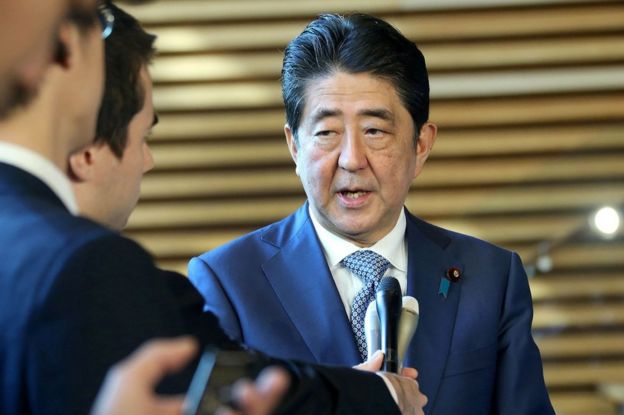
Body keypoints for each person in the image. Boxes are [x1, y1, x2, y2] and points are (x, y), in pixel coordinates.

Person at [0, 3, 424, 414]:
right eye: (142, 137)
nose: (147, 161)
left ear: (421, 144)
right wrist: (383, 395)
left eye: (374, 130)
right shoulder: (91, 267)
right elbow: (243, 386)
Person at [189, 13, 555, 415]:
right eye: (327, 131)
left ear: (421, 145)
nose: (351, 159)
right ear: (294, 146)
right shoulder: (228, 282)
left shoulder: (492, 277)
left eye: (375, 131)